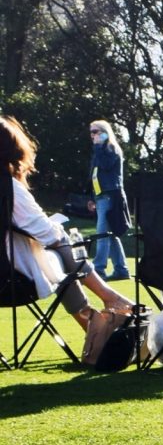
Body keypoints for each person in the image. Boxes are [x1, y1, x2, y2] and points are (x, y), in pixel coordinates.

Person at [4, 116, 134, 330]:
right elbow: (48, 234)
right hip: (11, 279)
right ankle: (103, 308)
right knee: (62, 243)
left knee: (63, 249)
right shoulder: (9, 189)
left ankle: (97, 319)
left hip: (9, 272)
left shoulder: (111, 151)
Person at [87, 120, 130, 279]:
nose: (93, 135)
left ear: (105, 132)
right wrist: (92, 198)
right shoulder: (99, 150)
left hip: (110, 196)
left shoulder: (111, 149)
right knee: (110, 235)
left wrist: (98, 146)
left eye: (96, 131)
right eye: (91, 132)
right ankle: (121, 270)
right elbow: (95, 175)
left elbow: (105, 166)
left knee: (102, 234)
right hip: (101, 196)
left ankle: (98, 270)